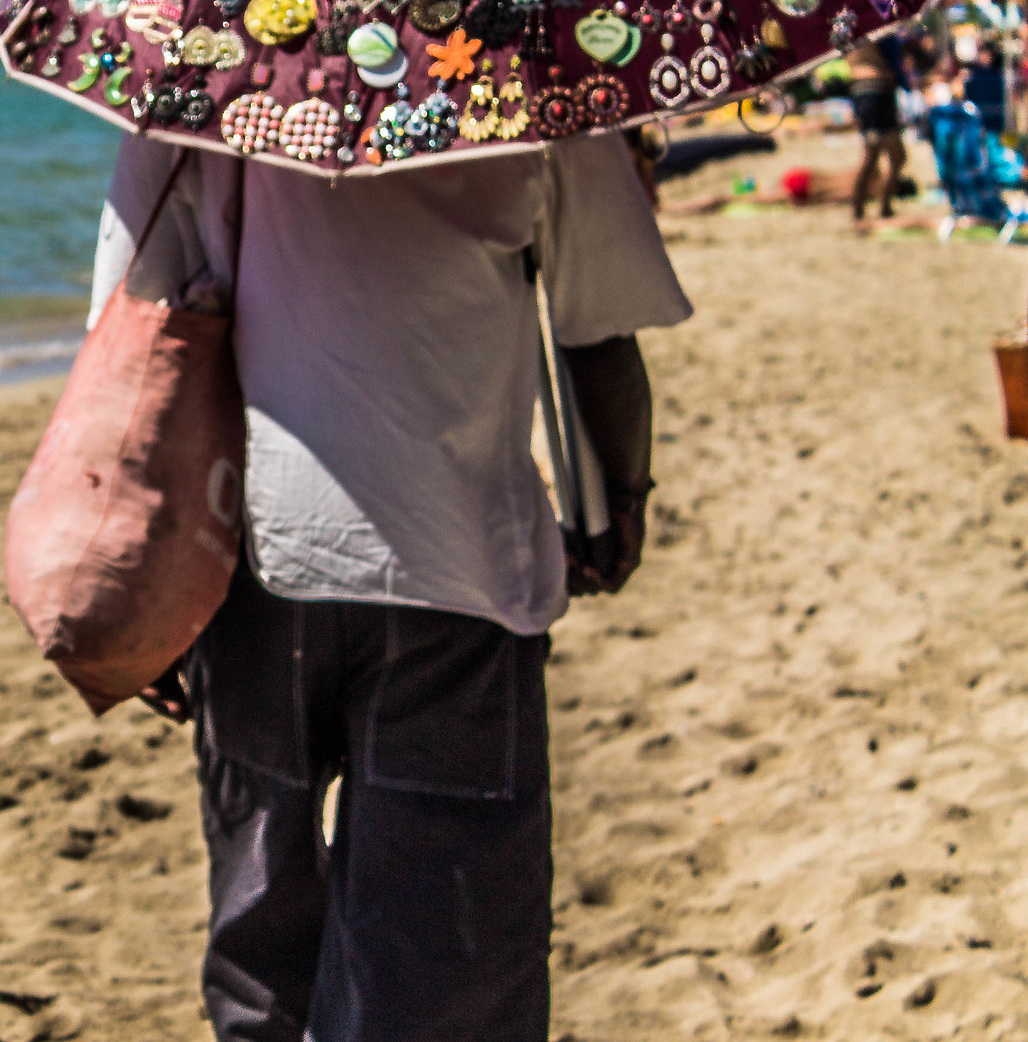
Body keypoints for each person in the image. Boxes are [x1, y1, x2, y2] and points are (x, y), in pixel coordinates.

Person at [94, 132, 689, 1041]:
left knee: (264, 942)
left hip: (250, 560)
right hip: (457, 566)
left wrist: (142, 585)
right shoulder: (537, 64)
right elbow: (600, 328)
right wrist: (625, 496)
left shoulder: (201, 66)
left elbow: (135, 326)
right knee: (448, 958)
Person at [848, 30, 909, 224]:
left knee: (875, 155)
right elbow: (891, 57)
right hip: (877, 90)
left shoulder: (847, 27)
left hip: (862, 89)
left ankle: (868, 209)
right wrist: (906, 83)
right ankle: (873, 209)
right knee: (888, 155)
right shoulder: (877, 26)